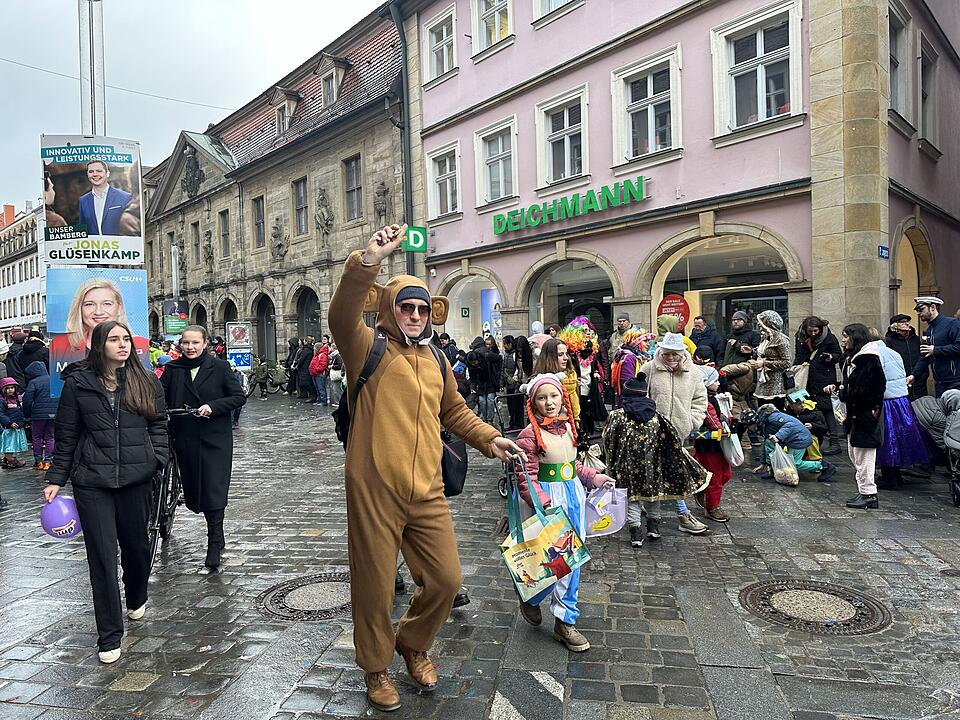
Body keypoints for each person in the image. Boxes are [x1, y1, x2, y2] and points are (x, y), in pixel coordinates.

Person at [327, 223, 523, 713]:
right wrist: (367, 260)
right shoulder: (365, 346)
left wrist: (489, 438)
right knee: (373, 585)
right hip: (374, 486)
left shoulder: (435, 357)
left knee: (446, 580)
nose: (414, 315)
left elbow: (453, 412)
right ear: (391, 311)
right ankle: (375, 667)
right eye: (405, 307)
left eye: (420, 308)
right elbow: (340, 313)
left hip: (427, 489)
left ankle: (412, 643)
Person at [43, 321, 168, 664]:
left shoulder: (146, 380)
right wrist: (56, 478)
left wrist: (156, 459)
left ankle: (136, 594)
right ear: (99, 346)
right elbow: (66, 434)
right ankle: (110, 634)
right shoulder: (78, 385)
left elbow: (158, 423)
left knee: (137, 548)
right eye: (114, 339)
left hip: (136, 478)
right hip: (92, 481)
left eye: (126, 339)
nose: (122, 345)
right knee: (101, 557)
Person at [513, 373, 614, 650]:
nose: (549, 403)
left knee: (573, 561)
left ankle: (564, 622)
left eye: (554, 396)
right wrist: (542, 502)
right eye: (542, 398)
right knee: (549, 561)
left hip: (573, 498)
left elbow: (575, 466)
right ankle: (532, 597)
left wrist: (594, 477)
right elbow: (526, 476)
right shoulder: (529, 435)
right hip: (548, 503)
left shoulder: (570, 427)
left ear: (563, 398)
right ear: (533, 402)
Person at [160, 326, 246, 570]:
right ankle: (215, 531)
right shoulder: (172, 370)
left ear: (205, 343)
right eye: (186, 343)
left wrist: (213, 406)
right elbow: (160, 397)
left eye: (195, 342)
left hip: (214, 439)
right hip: (184, 437)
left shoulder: (219, 368)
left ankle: (214, 540)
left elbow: (238, 397)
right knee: (195, 489)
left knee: (214, 489)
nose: (190, 347)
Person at [603, 373, 711, 547]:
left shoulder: (617, 416)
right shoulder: (656, 416)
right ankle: (654, 529)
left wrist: (610, 462)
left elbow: (609, 440)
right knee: (653, 497)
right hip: (652, 467)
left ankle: (636, 534)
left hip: (627, 467)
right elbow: (669, 441)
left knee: (633, 499)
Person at [638, 333, 710, 536]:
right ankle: (664, 512)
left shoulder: (693, 372)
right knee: (652, 470)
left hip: (678, 431)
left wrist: (693, 421)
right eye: (667, 354)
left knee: (673, 471)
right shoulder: (649, 369)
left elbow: (700, 400)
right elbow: (637, 397)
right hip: (651, 430)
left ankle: (681, 515)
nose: (671, 358)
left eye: (675, 354)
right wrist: (644, 421)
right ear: (660, 351)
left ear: (682, 353)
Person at [825, 324, 886, 509]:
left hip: (865, 414)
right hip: (856, 414)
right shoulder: (855, 358)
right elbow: (852, 383)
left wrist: (844, 393)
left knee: (864, 455)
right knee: (855, 453)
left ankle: (869, 494)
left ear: (855, 337)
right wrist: (839, 386)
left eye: (845, 336)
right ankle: (864, 491)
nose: (843, 340)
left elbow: (873, 387)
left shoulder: (868, 358)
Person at [48, 279, 150, 375]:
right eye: (89, 304)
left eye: (107, 304)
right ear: (79, 309)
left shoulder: (141, 345)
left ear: (119, 307)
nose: (98, 312)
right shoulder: (59, 345)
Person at [868, 329, 930, 487]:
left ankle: (890, 477)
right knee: (899, 439)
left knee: (887, 441)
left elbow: (876, 380)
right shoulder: (893, 353)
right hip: (901, 401)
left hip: (886, 401)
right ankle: (895, 475)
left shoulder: (872, 355)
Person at [794, 317, 843, 455]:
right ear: (805, 329)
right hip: (806, 377)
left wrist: (831, 358)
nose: (813, 334)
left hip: (824, 376)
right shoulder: (800, 337)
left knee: (827, 408)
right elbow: (798, 355)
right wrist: (795, 370)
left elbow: (838, 354)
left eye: (816, 331)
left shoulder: (829, 337)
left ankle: (834, 441)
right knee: (807, 406)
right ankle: (810, 440)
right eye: (811, 331)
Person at [692, 366, 733, 522]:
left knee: (724, 474)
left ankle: (702, 491)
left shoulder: (712, 397)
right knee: (716, 476)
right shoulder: (704, 399)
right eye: (714, 380)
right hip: (709, 444)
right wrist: (721, 427)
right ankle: (712, 507)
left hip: (715, 443)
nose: (717, 383)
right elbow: (712, 419)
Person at [753, 402, 831, 483]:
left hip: (799, 439)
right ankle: (772, 470)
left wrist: (778, 436)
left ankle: (824, 466)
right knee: (770, 443)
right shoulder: (767, 422)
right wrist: (763, 464)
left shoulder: (773, 418)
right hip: (795, 439)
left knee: (795, 464)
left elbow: (790, 424)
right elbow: (766, 445)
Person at [907, 297, 960, 397]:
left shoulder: (952, 324)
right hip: (939, 382)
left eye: (921, 309)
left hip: (955, 381)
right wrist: (914, 375)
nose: (918, 313)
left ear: (932, 307)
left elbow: (958, 347)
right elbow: (924, 356)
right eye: (917, 310)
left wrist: (935, 350)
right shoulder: (928, 330)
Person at [783, 388, 838, 482]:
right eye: (798, 404)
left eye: (802, 403)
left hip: (811, 440)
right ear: (791, 406)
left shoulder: (813, 412)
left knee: (810, 440)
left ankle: (819, 463)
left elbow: (824, 429)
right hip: (794, 441)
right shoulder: (787, 414)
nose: (802, 406)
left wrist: (813, 426)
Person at [76, 160, 132, 236]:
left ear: (107, 174)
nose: (95, 174)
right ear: (87, 175)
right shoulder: (83, 200)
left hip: (118, 246)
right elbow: (83, 231)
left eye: (99, 171)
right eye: (91, 171)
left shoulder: (125, 197)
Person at [534, 338, 580, 425]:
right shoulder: (540, 381)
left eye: (566, 354)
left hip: (572, 427)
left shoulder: (571, 376)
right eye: (560, 355)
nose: (566, 358)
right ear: (550, 358)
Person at [21, 361, 58, 470]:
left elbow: (27, 400)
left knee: (37, 437)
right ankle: (48, 461)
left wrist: (26, 415)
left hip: (38, 415)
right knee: (50, 437)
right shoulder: (54, 380)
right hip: (54, 414)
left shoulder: (34, 382)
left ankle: (38, 461)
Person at [752, 310, 791, 409]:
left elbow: (787, 362)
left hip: (776, 385)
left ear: (768, 323)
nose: (758, 324)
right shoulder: (765, 337)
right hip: (762, 382)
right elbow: (765, 353)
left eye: (761, 321)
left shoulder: (782, 340)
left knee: (774, 413)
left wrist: (764, 363)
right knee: (762, 411)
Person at [885, 314, 925, 401]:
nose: (906, 324)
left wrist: (921, 375)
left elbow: (922, 357)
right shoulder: (889, 341)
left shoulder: (915, 339)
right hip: (902, 383)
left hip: (918, 381)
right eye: (903, 322)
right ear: (894, 326)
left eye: (907, 322)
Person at [611, 329, 653, 407]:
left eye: (648, 341)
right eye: (645, 341)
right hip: (631, 404)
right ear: (635, 342)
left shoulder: (640, 357)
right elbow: (628, 384)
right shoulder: (629, 358)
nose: (648, 344)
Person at [576, 339, 607, 437]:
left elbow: (596, 369)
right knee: (581, 411)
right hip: (579, 389)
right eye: (585, 347)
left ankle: (589, 432)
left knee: (589, 410)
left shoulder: (592, 359)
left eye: (590, 347)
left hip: (590, 388)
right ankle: (583, 431)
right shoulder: (574, 358)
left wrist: (596, 374)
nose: (587, 350)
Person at [0, 377, 28, 469]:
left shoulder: (17, 399)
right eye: (7, 388)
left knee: (12, 443)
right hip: (8, 426)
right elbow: (1, 414)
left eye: (12, 388)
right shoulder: (2, 400)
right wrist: (9, 423)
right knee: (8, 444)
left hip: (16, 424)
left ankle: (7, 459)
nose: (10, 390)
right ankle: (11, 460)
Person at [501, 336, 524, 430]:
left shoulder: (516, 355)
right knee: (510, 405)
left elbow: (519, 369)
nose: (504, 346)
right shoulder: (505, 354)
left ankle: (518, 424)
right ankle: (512, 424)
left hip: (516, 383)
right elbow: (503, 368)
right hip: (509, 384)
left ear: (510, 344)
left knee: (517, 405)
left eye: (505, 344)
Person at [293, 337, 316, 401]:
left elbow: (302, 359)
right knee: (307, 382)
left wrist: (297, 364)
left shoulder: (306, 350)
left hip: (304, 368)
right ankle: (308, 395)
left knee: (307, 383)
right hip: (306, 367)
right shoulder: (310, 349)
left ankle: (312, 396)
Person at [310, 339, 330, 406]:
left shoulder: (322, 355)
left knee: (321, 388)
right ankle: (319, 400)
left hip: (319, 374)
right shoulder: (317, 354)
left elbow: (323, 365)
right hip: (315, 374)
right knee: (318, 388)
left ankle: (323, 401)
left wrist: (316, 369)